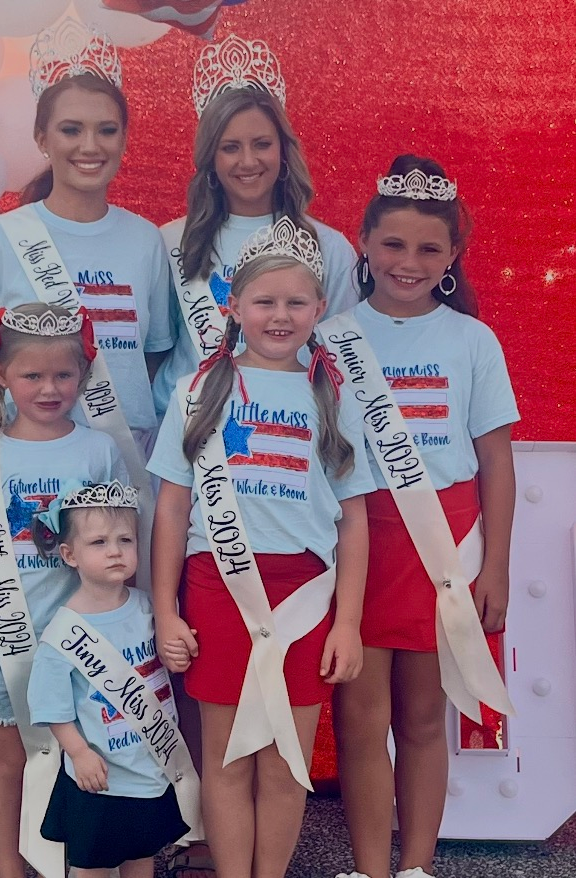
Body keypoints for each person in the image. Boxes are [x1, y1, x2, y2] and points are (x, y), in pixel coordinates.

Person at [147, 218, 376, 878]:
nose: (280, 315)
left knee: (285, 762)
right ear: (234, 306)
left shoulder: (334, 395)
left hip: (305, 595)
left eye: (295, 302)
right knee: (225, 757)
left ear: (320, 307)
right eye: (265, 302)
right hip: (217, 591)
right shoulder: (199, 393)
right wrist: (166, 610)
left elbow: (353, 521)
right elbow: (172, 508)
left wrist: (350, 624)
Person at [319, 155, 519, 878]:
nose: (409, 261)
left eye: (429, 248)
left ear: (453, 258)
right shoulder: (329, 336)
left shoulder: (473, 341)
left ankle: (417, 869)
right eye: (393, 244)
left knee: (425, 720)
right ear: (364, 244)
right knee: (361, 723)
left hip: (446, 546)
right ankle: (372, 870)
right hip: (359, 544)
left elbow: (496, 460)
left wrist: (494, 563)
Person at [0, 303, 128, 878]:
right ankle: (10, 869)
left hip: (80, 637)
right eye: (32, 376)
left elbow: (120, 541)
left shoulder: (99, 451)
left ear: (83, 375)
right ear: (0, 375)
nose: (50, 388)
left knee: (87, 754)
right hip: (0, 639)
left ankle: (87, 862)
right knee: (3, 763)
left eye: (63, 375)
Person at [0, 20, 171, 456]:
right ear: (42, 139)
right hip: (32, 456)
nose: (90, 145)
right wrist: (0, 431)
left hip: (127, 460)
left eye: (106, 130)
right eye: (71, 130)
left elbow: (153, 356)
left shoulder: (146, 241)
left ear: (123, 140)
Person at [153, 33, 358, 420]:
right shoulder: (168, 242)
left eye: (261, 143)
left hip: (285, 436)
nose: (248, 160)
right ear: (210, 157)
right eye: (230, 147)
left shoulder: (327, 246)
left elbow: (340, 362)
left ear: (283, 149)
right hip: (188, 439)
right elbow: (157, 351)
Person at [27, 482, 190, 878]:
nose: (115, 551)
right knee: (92, 866)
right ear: (70, 555)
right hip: (99, 777)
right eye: (99, 542)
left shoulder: (149, 609)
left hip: (149, 768)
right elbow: (51, 706)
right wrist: (79, 754)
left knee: (142, 855)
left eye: (125, 540)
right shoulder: (64, 631)